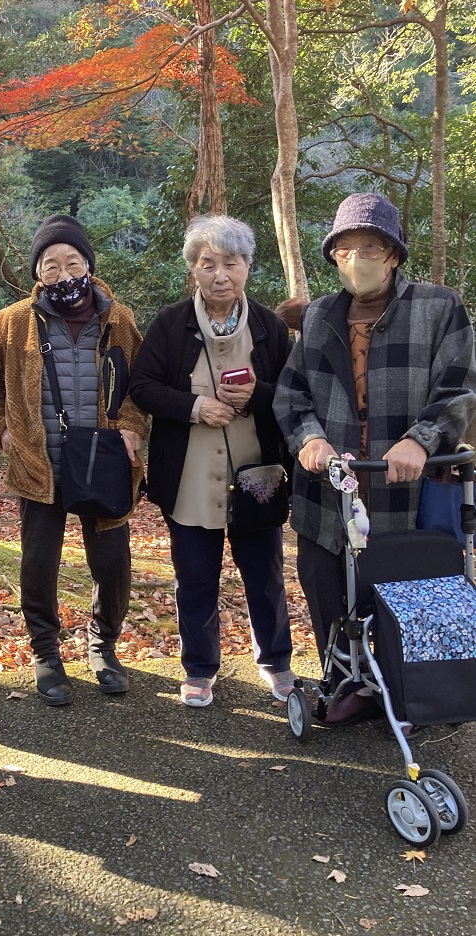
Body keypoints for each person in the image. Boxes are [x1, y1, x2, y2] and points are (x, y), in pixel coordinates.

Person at [274, 192, 476, 723]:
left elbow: (458, 389)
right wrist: (310, 440)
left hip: (405, 488)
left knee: (407, 590)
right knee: (327, 585)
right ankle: (348, 686)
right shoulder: (319, 317)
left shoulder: (438, 307)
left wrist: (422, 438)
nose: (356, 258)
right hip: (330, 488)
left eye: (370, 246)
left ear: (392, 254)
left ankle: (411, 691)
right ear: (333, 257)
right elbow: (290, 394)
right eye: (345, 248)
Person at [0, 213, 146, 706]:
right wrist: (2, 432)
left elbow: (139, 384)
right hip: (38, 461)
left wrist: (132, 426)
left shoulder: (120, 318)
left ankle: (104, 646)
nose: (63, 272)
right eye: (51, 264)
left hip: (105, 459)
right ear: (37, 273)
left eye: (73, 261)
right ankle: (46, 654)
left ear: (89, 264)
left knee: (111, 563)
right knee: (39, 561)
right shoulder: (11, 322)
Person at [129, 216, 295, 709]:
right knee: (195, 578)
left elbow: (292, 393)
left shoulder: (268, 326)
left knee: (264, 574)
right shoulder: (171, 323)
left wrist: (256, 395)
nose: (220, 274)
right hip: (189, 477)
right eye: (208, 264)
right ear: (194, 270)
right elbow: (143, 386)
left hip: (257, 477)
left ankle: (277, 662)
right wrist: (195, 406)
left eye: (231, 263)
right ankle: (199, 668)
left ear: (247, 267)